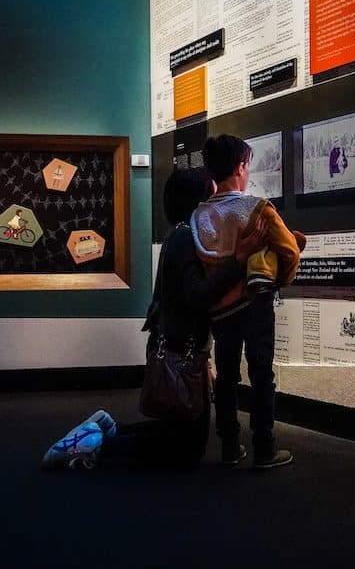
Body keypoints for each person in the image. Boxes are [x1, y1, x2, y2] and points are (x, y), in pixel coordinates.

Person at [42, 167, 267, 470]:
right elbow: (197, 296)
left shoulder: (179, 235)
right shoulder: (188, 237)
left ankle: (108, 429)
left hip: (181, 348)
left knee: (182, 437)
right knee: (185, 448)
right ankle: (99, 442)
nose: (215, 203)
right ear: (198, 198)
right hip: (181, 352)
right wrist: (240, 260)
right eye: (211, 195)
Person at [191, 135, 301, 469]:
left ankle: (228, 446)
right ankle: (264, 448)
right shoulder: (257, 208)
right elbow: (289, 250)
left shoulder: (199, 216)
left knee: (226, 376)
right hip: (255, 302)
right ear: (241, 166)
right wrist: (281, 279)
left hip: (220, 309)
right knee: (260, 374)